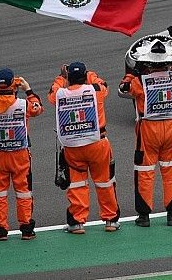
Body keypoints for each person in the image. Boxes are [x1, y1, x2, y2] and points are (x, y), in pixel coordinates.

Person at [119, 37, 172, 227]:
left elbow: (124, 88)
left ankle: (144, 216)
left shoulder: (139, 82)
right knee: (171, 170)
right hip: (171, 128)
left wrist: (133, 71)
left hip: (148, 130)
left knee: (145, 171)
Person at [49, 62, 120, 234]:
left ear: (68, 78)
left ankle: (77, 222)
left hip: (73, 147)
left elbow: (52, 93)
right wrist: (89, 74)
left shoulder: (60, 93)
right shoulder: (96, 91)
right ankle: (110, 220)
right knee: (105, 182)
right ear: (85, 77)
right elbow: (104, 84)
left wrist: (62, 77)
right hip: (97, 144)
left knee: (77, 185)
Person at [0, 66, 43, 241]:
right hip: (19, 154)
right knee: (23, 191)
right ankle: (26, 228)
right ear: (13, 84)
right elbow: (38, 108)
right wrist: (28, 90)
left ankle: (1, 229)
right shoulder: (23, 105)